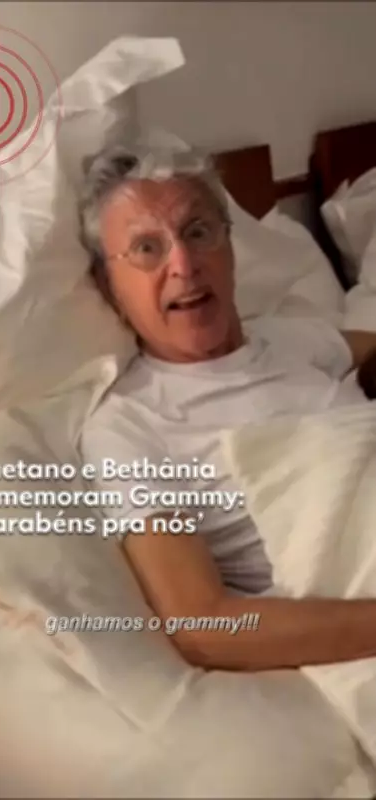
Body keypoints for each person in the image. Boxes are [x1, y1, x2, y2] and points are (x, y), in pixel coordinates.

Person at [78, 140, 376, 672]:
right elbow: (204, 628)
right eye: (146, 248)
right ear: (109, 285)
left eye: (198, 232)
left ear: (230, 248)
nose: (184, 264)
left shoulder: (290, 339)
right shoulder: (128, 425)